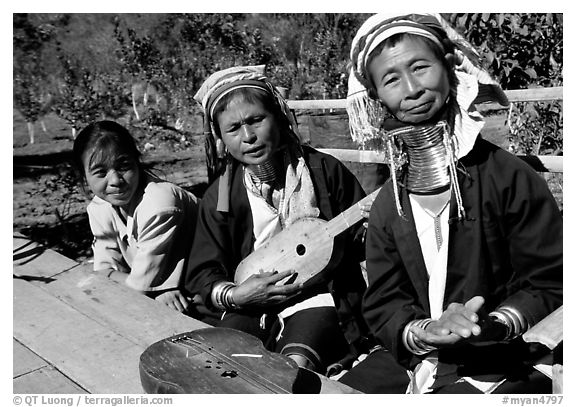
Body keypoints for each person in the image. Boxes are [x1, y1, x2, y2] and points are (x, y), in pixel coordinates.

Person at [337, 13, 563, 394]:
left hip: (509, 352)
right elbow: (386, 301)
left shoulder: (509, 178)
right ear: (376, 97)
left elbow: (551, 281)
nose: (411, 89)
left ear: (449, 67)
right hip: (419, 356)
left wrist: (491, 324)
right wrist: (428, 331)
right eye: (391, 79)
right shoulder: (389, 204)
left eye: (421, 67)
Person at [183, 65, 371, 375]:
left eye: (257, 120)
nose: (249, 136)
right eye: (234, 128)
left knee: (292, 368)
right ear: (220, 138)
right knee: (225, 366)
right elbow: (204, 270)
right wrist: (235, 295)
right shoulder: (221, 195)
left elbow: (363, 241)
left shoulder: (324, 171)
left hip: (320, 296)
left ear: (279, 117)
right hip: (249, 303)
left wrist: (367, 229)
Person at [73, 120, 199, 313]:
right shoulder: (100, 207)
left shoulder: (160, 205)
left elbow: (136, 288)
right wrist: (151, 287)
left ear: (137, 162)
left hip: (206, 289)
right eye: (100, 172)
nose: (115, 180)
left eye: (124, 166)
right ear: (84, 178)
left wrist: (140, 284)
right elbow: (104, 270)